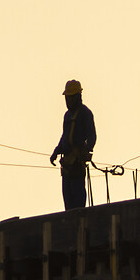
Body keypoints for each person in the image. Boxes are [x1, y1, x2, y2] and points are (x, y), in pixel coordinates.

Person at [49, 79, 97, 210]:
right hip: (67, 164)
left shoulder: (85, 113)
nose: (69, 100)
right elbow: (65, 136)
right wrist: (56, 151)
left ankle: (79, 218)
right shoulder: (67, 115)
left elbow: (92, 136)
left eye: (71, 97)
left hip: (77, 162)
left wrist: (86, 151)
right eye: (67, 98)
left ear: (78, 96)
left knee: (78, 199)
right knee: (68, 201)